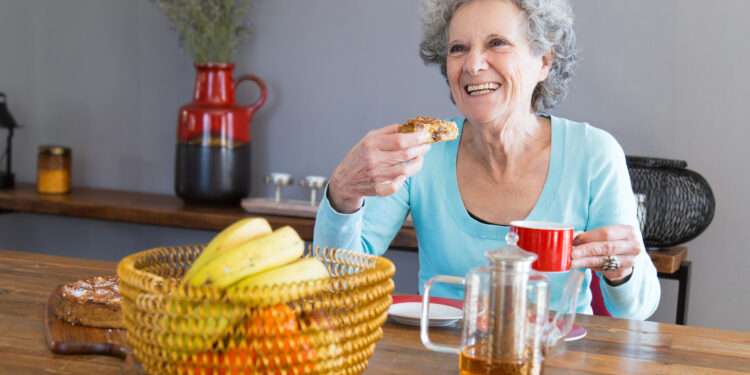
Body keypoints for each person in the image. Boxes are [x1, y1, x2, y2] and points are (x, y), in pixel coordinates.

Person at [313, 0, 660, 320]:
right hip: (442, 355)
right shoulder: (423, 153)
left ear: (544, 61)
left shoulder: (593, 153)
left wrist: (621, 270)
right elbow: (337, 284)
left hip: (554, 357)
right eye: (458, 48)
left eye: (497, 43)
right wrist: (343, 192)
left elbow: (636, 311)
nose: (473, 65)